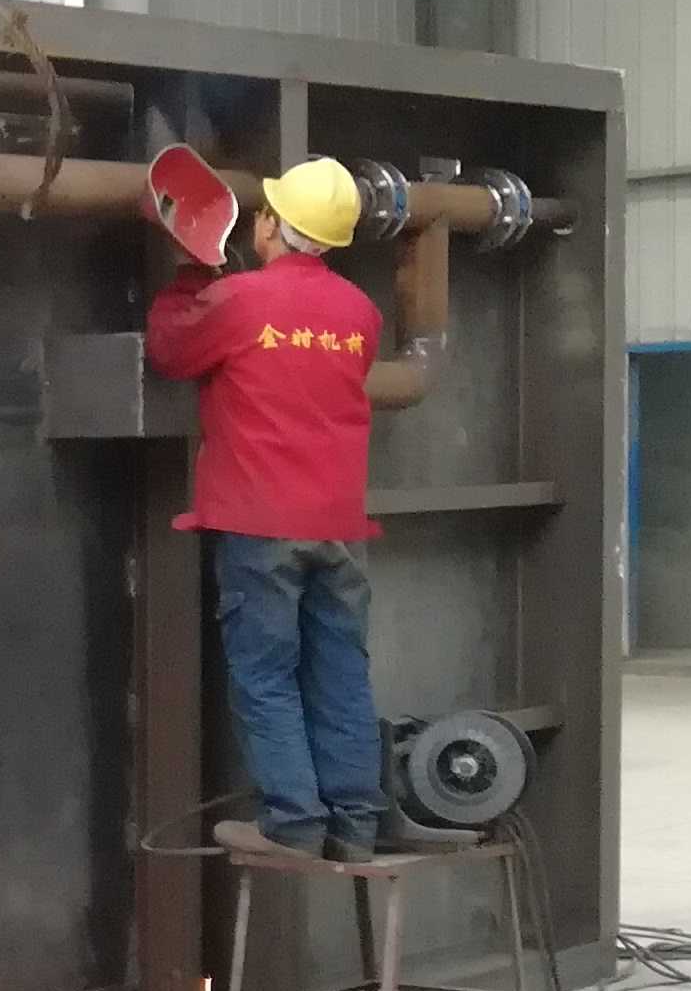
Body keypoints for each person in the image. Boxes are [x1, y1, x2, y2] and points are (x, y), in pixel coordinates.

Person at [145, 155, 465, 864]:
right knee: (341, 673)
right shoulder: (360, 313)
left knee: (266, 674)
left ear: (269, 224)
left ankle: (292, 823)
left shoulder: (239, 301)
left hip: (261, 523)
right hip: (339, 527)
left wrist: (191, 274)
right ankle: (355, 824)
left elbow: (171, 351)